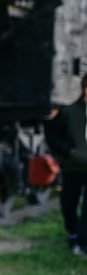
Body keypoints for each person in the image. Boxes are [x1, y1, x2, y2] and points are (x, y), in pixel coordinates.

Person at [46, 74, 87, 255]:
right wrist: (67, 153)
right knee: (68, 204)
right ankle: (73, 233)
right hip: (73, 167)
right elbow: (52, 134)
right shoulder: (70, 111)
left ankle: (83, 241)